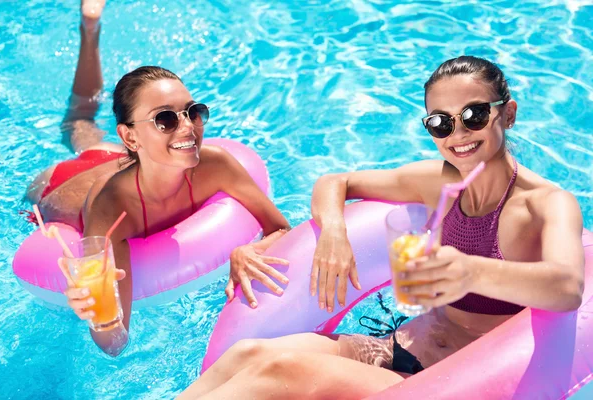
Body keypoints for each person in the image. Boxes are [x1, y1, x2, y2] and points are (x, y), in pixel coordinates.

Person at [179, 55, 585, 399]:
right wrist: (334, 234)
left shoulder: (547, 204)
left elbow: (566, 289)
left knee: (280, 371)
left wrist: (471, 272)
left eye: (474, 116)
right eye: (441, 123)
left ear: (507, 114)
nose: (458, 134)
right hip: (395, 348)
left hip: (444, 380)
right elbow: (335, 182)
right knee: (248, 354)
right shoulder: (440, 181)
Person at [27, 1, 291, 356]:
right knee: (78, 123)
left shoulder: (215, 164)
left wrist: (248, 249)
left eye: (193, 112)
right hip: (59, 185)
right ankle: (89, 30)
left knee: (87, 131)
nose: (187, 127)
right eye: (165, 119)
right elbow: (116, 343)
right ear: (132, 136)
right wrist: (95, 315)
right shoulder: (111, 210)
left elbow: (282, 230)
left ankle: (92, 27)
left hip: (119, 158)